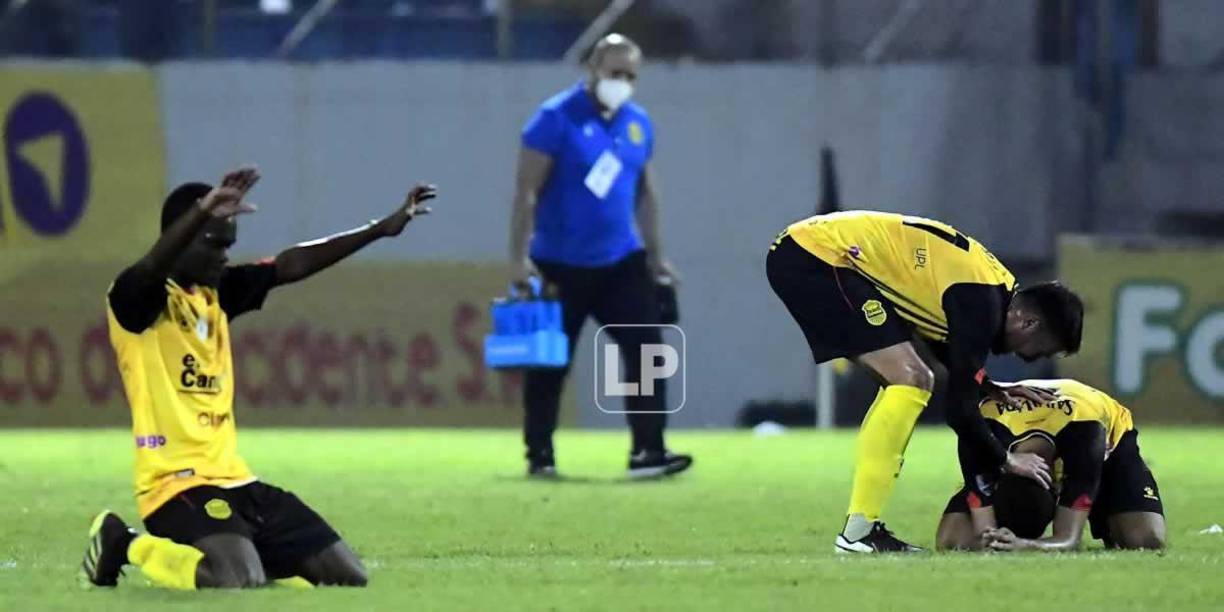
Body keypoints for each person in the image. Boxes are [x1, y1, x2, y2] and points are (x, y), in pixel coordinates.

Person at [81, 167, 439, 589]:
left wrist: (380, 229)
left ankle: (252, 560)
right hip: (173, 486)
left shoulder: (217, 294)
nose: (224, 257)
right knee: (236, 577)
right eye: (214, 245)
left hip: (236, 480)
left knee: (348, 577)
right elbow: (150, 268)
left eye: (228, 246)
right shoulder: (135, 303)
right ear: (180, 238)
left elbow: (290, 264)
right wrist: (199, 213)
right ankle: (124, 543)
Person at [766, 210, 1084, 553]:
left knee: (907, 380)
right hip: (817, 256)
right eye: (1040, 350)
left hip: (812, 250)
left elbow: (945, 343)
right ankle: (857, 533)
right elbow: (959, 411)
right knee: (913, 379)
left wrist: (988, 387)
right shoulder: (981, 304)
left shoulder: (992, 290)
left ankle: (861, 529)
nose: (1030, 358)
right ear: (1029, 323)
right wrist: (1007, 460)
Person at [508, 33, 691, 479]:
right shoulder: (554, 119)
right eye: (615, 73)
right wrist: (518, 258)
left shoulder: (637, 123)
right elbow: (526, 193)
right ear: (593, 69)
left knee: (646, 350)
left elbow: (646, 192)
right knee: (550, 362)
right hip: (558, 261)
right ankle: (541, 454)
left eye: (631, 76)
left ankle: (648, 451)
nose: (623, 83)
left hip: (619, 261)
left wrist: (656, 255)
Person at [936, 378, 1166, 552]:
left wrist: (1025, 545)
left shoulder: (1085, 433)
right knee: (953, 541)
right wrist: (995, 539)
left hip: (1107, 448)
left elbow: (1069, 540)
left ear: (1056, 489)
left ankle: (1101, 502)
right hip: (1032, 441)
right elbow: (985, 534)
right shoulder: (983, 434)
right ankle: (1083, 496)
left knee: (1145, 540)